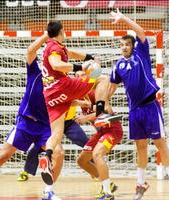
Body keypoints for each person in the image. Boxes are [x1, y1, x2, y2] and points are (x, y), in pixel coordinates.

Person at [0, 33, 65, 200]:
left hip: (45, 126)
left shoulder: (61, 81)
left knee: (58, 153)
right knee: (3, 156)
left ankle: (48, 191)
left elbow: (66, 100)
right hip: (26, 122)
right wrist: (47, 35)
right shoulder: (35, 72)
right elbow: (30, 51)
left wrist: (81, 104)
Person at [39, 21, 121, 196]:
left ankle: (46, 155)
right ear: (62, 31)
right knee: (102, 77)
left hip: (51, 96)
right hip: (60, 86)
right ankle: (100, 113)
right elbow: (56, 64)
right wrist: (81, 67)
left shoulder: (56, 46)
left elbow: (73, 53)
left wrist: (89, 58)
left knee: (56, 134)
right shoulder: (54, 47)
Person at [107, 9, 169, 200]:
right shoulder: (118, 66)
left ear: (133, 46)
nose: (124, 47)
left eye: (127, 44)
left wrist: (123, 18)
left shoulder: (141, 54)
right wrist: (103, 102)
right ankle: (140, 184)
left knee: (160, 144)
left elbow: (140, 31)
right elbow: (112, 87)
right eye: (121, 45)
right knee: (140, 148)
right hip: (134, 111)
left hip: (150, 107)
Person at [17, 100, 90, 182]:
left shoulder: (76, 90)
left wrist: (85, 115)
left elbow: (84, 103)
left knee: (86, 143)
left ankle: (93, 169)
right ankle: (26, 171)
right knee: (38, 147)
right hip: (53, 121)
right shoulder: (54, 90)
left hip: (68, 122)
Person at [76, 89, 123, 200]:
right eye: (76, 76)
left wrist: (86, 117)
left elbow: (107, 109)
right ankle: (109, 183)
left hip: (113, 130)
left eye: (81, 75)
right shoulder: (80, 99)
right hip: (101, 132)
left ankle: (108, 193)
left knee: (97, 155)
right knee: (81, 161)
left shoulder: (94, 94)